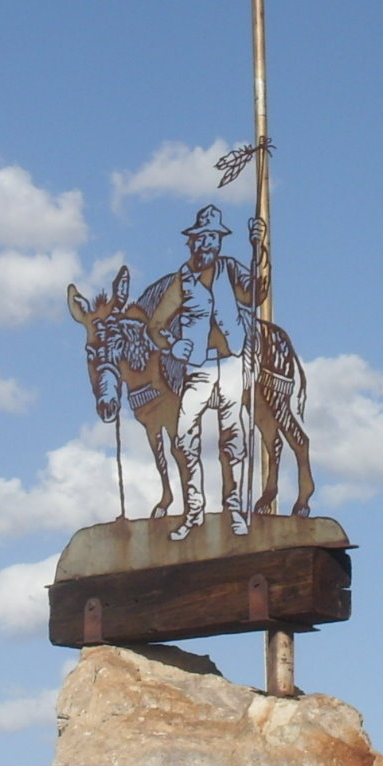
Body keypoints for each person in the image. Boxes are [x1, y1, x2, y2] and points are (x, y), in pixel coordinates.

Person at [143, 204, 266, 540]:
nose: (205, 245)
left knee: (234, 438)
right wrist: (170, 345)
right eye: (200, 239)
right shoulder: (183, 281)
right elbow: (155, 325)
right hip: (197, 368)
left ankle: (235, 509)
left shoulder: (230, 269)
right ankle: (193, 510)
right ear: (192, 243)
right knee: (184, 439)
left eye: (211, 238)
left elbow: (256, 294)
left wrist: (259, 248)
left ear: (219, 242)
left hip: (230, 363)